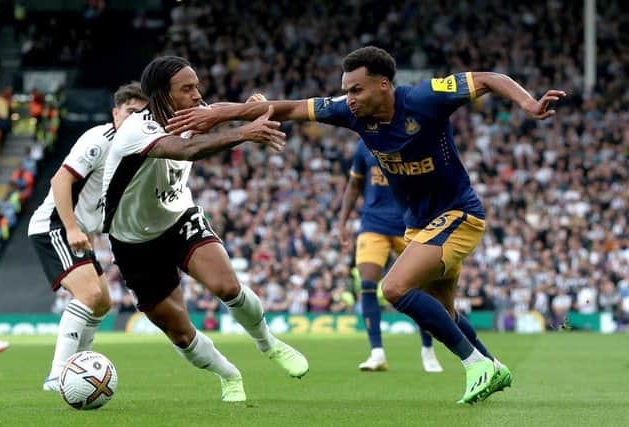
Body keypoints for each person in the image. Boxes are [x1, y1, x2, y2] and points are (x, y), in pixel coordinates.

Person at [166, 46, 566, 404]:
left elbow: (489, 79)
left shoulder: (426, 98)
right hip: (419, 225)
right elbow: (286, 108)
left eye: (356, 89)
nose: (349, 98)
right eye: (346, 89)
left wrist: (529, 105)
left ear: (384, 85)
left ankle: (476, 364)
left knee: (393, 287)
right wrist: (221, 112)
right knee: (444, 312)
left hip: (459, 214)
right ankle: (495, 365)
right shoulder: (350, 114)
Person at [102, 56, 308, 403]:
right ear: (161, 96)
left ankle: (268, 344)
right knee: (179, 332)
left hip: (179, 219)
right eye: (187, 89)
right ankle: (228, 375)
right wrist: (245, 131)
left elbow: (219, 110)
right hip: (133, 241)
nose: (198, 95)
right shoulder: (137, 130)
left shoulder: (192, 112)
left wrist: (248, 108)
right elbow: (187, 150)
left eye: (197, 85)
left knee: (227, 286)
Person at [28, 82, 149, 391]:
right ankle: (57, 375)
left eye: (142, 114)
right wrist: (70, 228)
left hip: (81, 231)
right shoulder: (99, 139)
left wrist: (90, 239)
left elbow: (95, 204)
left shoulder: (134, 152)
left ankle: (78, 367)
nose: (135, 119)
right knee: (89, 296)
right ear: (116, 113)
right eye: (130, 112)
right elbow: (60, 180)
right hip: (54, 224)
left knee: (103, 303)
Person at [339, 139, 442, 373]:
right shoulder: (363, 145)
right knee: (366, 284)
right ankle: (377, 352)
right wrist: (342, 222)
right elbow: (354, 185)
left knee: (421, 287)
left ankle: (427, 348)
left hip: (409, 224)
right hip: (372, 224)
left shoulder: (409, 140)